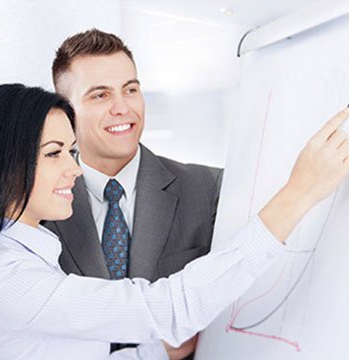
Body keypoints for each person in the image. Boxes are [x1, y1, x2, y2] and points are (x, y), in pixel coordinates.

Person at [0, 83, 349, 359]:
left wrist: (156, 354)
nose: (74, 169)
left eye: (71, 151)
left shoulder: (23, 255)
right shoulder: (10, 279)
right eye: (54, 153)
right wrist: (300, 193)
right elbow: (172, 307)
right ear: (3, 165)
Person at [43, 27, 221, 355]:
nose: (123, 107)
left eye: (130, 89)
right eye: (100, 95)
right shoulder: (35, 208)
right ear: (66, 111)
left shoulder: (209, 189)